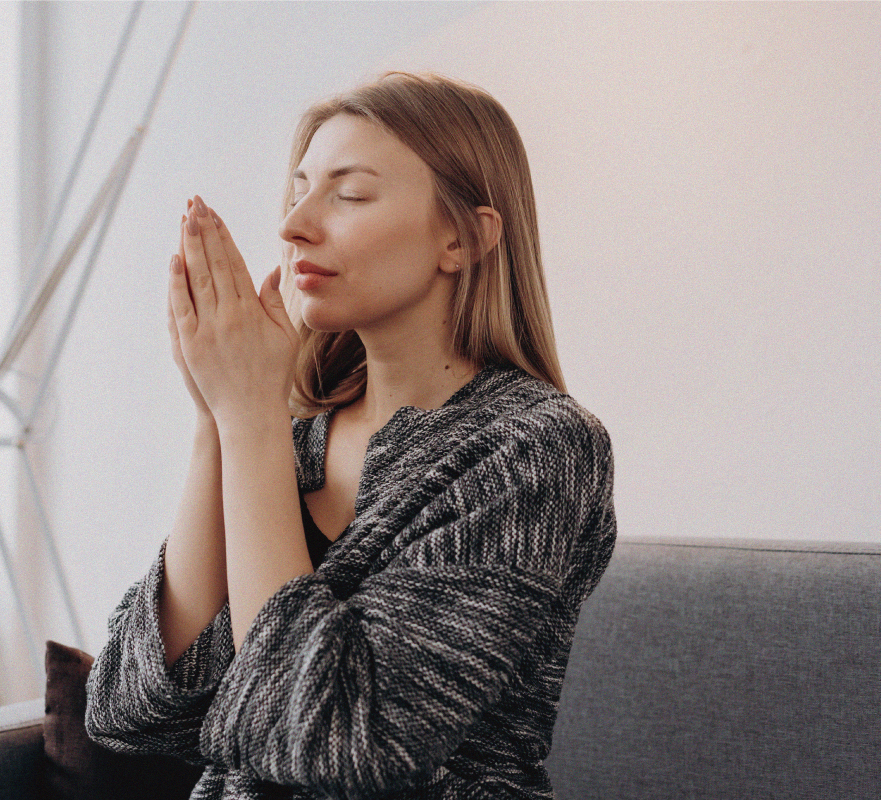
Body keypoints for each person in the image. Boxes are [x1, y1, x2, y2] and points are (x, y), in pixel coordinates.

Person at [85, 72, 616, 800]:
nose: (294, 224)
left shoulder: (537, 450)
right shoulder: (289, 435)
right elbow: (133, 712)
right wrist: (219, 415)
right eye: (298, 190)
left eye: (350, 194)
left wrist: (249, 422)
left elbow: (340, 742)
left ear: (463, 237)